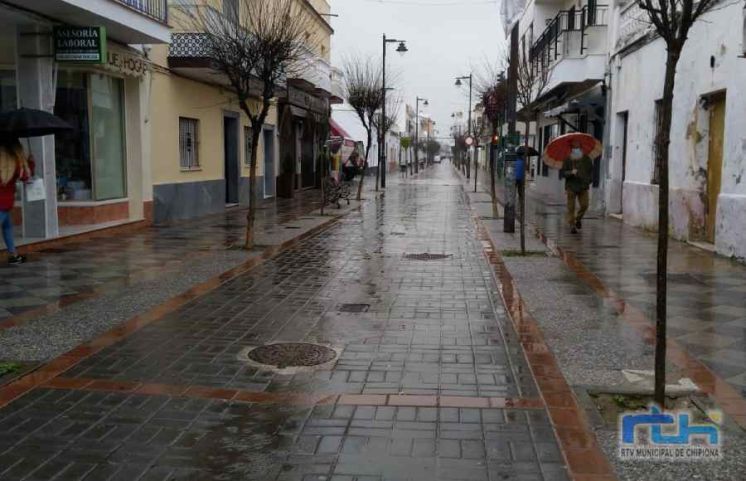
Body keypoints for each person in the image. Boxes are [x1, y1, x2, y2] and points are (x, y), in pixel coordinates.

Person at [0, 138, 33, 264]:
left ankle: (13, 254)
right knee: (6, 226)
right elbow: (25, 177)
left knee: (7, 226)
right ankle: (13, 254)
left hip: (3, 203)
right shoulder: (15, 160)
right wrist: (30, 163)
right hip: (4, 202)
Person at [560, 141, 593, 234]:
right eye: (574, 147)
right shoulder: (567, 159)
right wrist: (571, 172)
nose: (576, 148)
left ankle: (578, 219)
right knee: (571, 207)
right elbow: (563, 173)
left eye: (578, 146)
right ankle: (572, 224)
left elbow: (591, 171)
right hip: (571, 186)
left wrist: (589, 180)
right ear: (571, 148)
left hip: (583, 186)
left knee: (584, 205)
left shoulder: (587, 159)